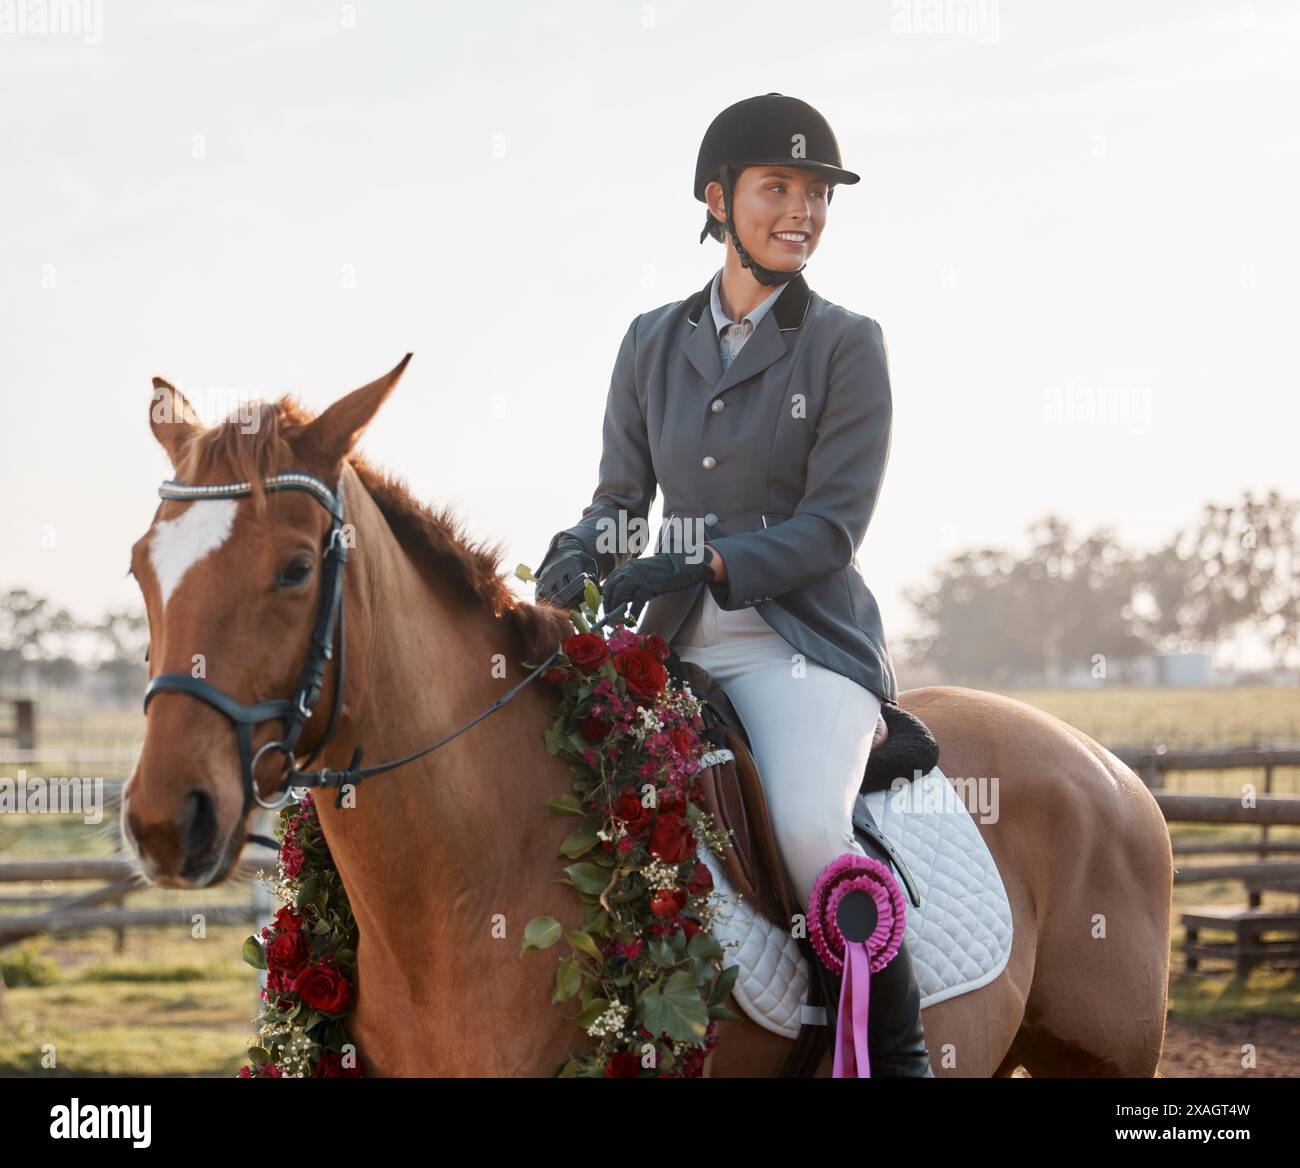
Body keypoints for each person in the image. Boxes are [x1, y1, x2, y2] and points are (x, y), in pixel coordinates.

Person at [535, 94, 932, 1077]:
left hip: (799, 649)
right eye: (778, 188)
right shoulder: (649, 341)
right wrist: (580, 548)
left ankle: (896, 1055)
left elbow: (831, 526)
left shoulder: (847, 343)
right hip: (670, 646)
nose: (801, 211)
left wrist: (710, 562)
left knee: (806, 825)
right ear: (718, 198)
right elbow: (621, 498)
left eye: (816, 194)